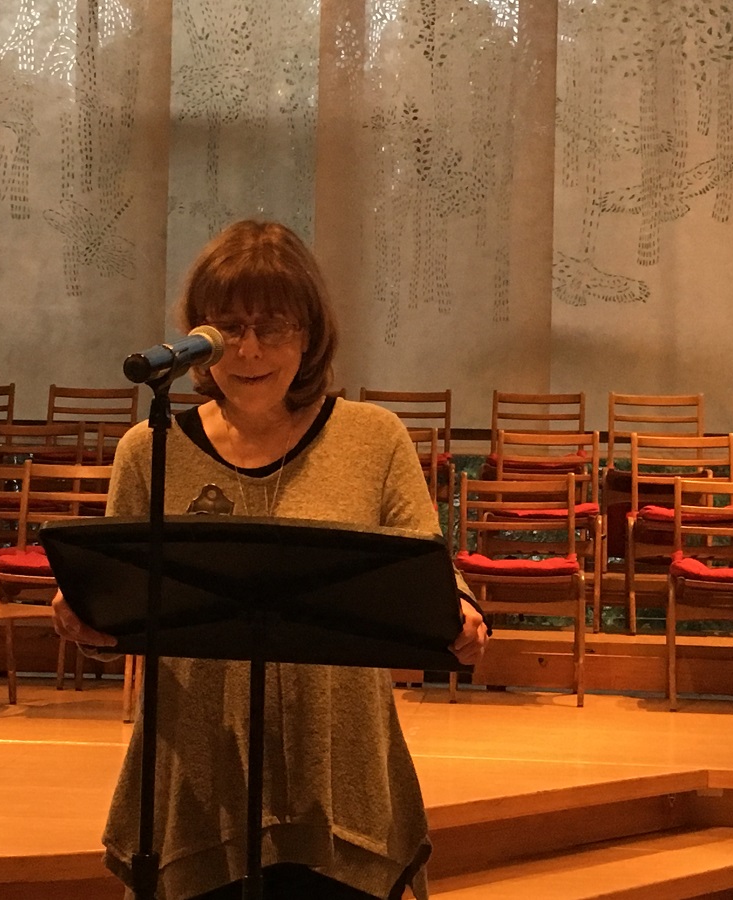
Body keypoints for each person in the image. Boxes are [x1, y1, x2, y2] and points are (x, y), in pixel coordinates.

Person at [53, 219, 487, 900]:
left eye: (273, 327)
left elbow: (429, 564)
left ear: (309, 334)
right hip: (197, 772)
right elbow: (120, 607)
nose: (249, 349)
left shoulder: (375, 438)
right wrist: (85, 613)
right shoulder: (149, 449)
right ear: (198, 339)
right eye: (228, 328)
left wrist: (461, 608)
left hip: (340, 767)